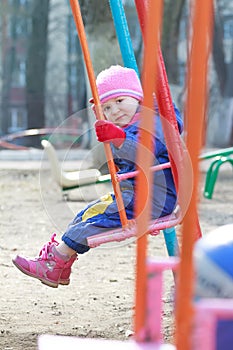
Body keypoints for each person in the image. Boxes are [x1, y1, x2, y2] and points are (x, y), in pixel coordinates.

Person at [12, 65, 183, 288]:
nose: (115, 111)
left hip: (152, 199)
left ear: (137, 97)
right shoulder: (133, 123)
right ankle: (58, 265)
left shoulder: (153, 121)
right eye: (107, 108)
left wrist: (118, 138)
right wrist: (117, 137)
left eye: (120, 101)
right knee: (85, 214)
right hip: (136, 196)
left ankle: (57, 260)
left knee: (95, 222)